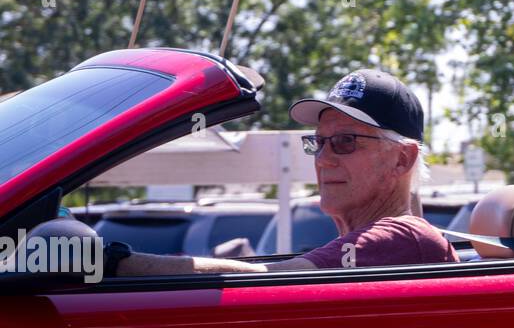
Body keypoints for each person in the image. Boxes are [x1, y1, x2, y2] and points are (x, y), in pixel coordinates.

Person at [103, 69, 458, 275]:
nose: (323, 159)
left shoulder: (400, 237)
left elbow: (270, 280)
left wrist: (115, 262)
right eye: (318, 142)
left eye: (346, 142)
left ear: (401, 160)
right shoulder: (399, 244)